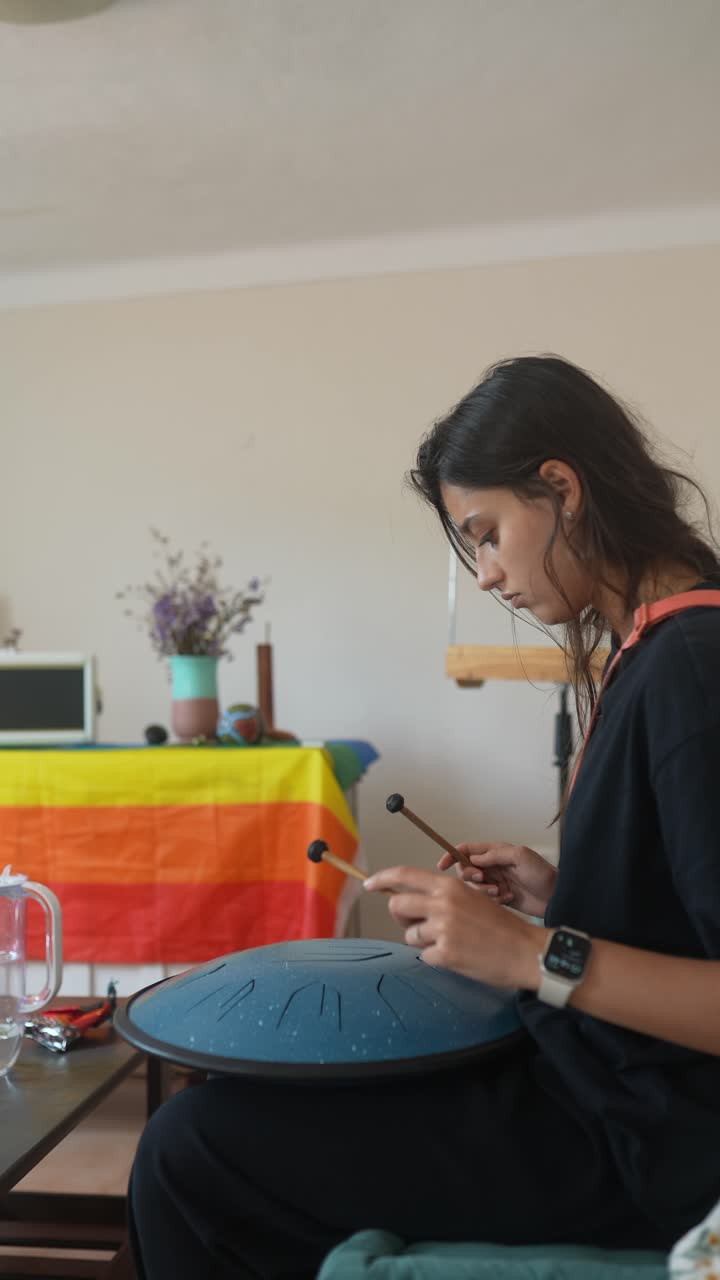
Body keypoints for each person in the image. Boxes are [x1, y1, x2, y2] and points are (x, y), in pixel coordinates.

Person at [128, 355, 720, 1279]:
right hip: (602, 1086)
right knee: (234, 1107)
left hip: (647, 1143)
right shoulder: (656, 650)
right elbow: (688, 920)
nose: (485, 575)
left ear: (560, 486)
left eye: (486, 533)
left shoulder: (691, 663)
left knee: (191, 1150)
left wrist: (530, 953)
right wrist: (559, 894)